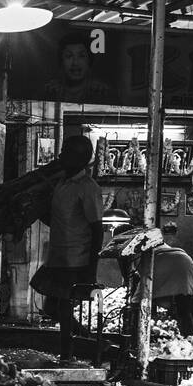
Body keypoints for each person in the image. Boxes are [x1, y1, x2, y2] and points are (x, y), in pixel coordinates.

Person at [30, 136, 104, 361]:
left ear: (81, 159)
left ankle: (69, 353)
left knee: (62, 308)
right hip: (57, 256)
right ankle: (90, 342)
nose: (61, 156)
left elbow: (97, 229)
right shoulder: (61, 183)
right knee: (52, 308)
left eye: (67, 152)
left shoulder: (88, 188)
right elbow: (60, 220)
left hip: (75, 258)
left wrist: (91, 268)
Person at [138, 223, 193, 336]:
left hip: (180, 271)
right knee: (184, 311)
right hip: (186, 268)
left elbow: (144, 282)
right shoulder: (163, 247)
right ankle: (189, 338)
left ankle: (141, 336)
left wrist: (135, 301)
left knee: (138, 305)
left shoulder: (148, 253)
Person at [43, 31, 116, 104]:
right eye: (69, 56)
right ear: (61, 61)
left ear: (89, 60)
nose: (75, 63)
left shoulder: (102, 93)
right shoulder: (49, 92)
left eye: (81, 56)